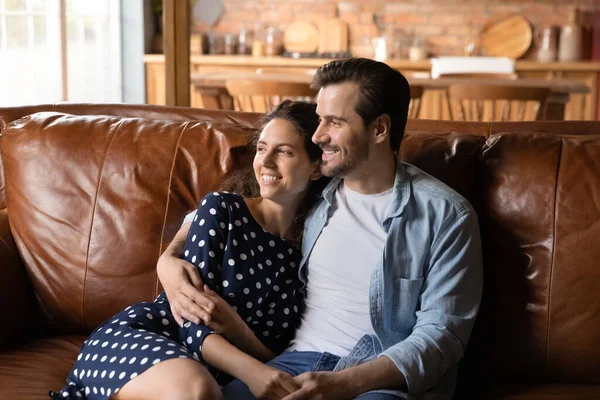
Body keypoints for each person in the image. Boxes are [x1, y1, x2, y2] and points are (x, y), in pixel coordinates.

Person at [160, 57, 483, 400]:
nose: (318, 136)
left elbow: (442, 335)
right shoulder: (315, 190)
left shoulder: (446, 215)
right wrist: (167, 259)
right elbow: (224, 210)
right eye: (319, 120)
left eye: (334, 122)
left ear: (379, 129)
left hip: (375, 378)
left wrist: (345, 383)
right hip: (292, 365)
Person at [50, 100, 328, 400]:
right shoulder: (223, 210)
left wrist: (239, 332)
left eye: (284, 151)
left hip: (213, 370)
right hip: (149, 337)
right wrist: (255, 372)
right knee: (197, 391)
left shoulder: (308, 251)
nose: (266, 161)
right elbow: (191, 323)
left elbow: (274, 350)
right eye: (261, 148)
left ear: (315, 168)